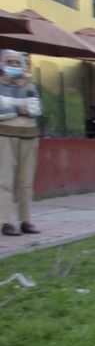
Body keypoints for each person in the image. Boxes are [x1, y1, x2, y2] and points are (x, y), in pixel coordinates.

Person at [0, 49, 42, 236]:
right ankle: (6, 221)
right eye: (10, 61)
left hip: (29, 136)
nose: (14, 65)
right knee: (5, 181)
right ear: (2, 64)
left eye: (18, 62)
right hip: (5, 136)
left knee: (26, 182)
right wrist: (21, 109)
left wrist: (11, 107)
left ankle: (26, 220)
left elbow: (37, 109)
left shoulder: (30, 87)